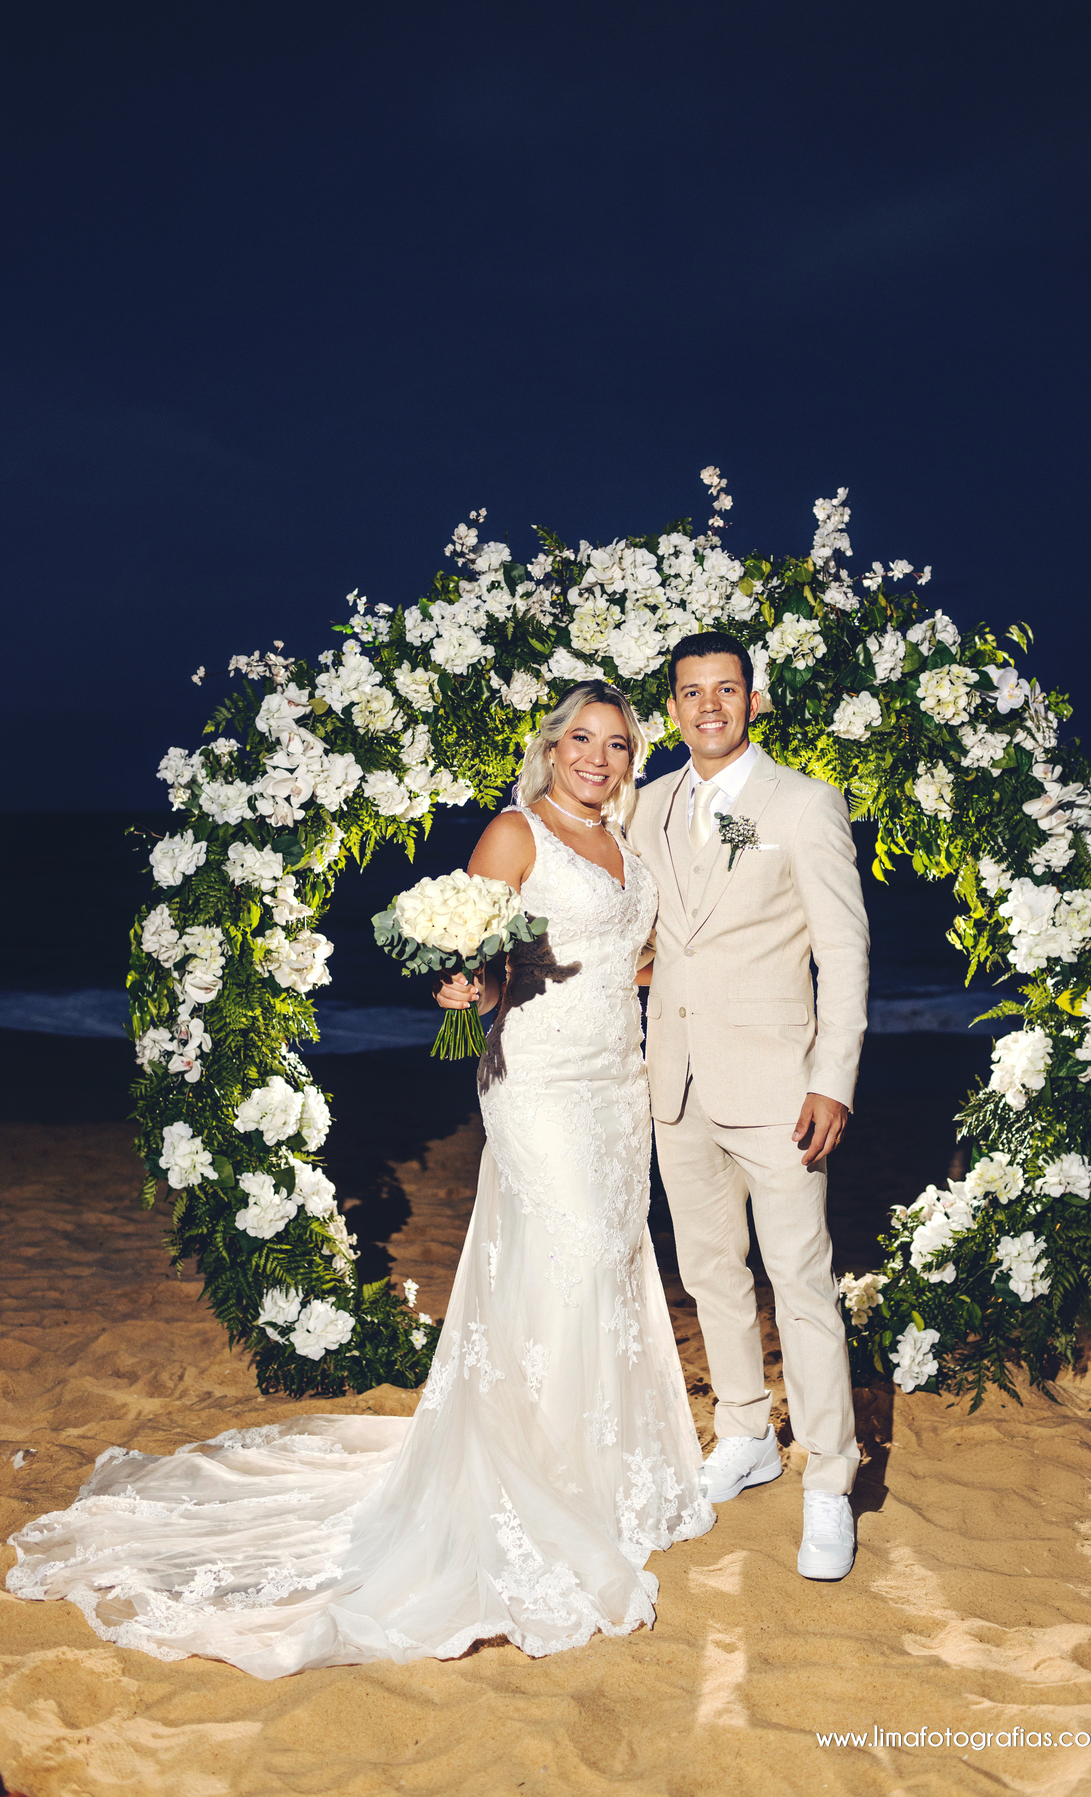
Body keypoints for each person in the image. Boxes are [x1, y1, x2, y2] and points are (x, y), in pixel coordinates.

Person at [7, 680, 714, 1677]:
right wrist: (470, 984)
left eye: (616, 743)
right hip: (542, 1084)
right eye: (581, 740)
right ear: (551, 749)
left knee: (608, 1257)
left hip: (618, 1084)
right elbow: (490, 961)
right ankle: (539, 1481)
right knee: (570, 1258)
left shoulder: (628, 844)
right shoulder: (516, 835)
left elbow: (626, 964)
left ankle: (598, 1469)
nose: (598, 757)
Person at [628, 632, 870, 1581]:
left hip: (779, 1089)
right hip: (676, 1082)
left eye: (725, 690)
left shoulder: (804, 806)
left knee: (801, 1281)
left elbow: (844, 956)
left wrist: (832, 1080)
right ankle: (744, 1436)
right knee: (709, 1271)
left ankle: (828, 1481)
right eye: (692, 693)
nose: (710, 707)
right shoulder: (648, 805)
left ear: (754, 699)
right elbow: (641, 934)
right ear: (674, 708)